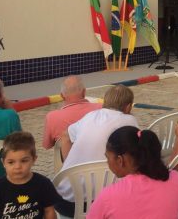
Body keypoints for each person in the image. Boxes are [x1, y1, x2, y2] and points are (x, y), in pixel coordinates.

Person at [56, 85, 138, 217]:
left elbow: (65, 135)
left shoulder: (90, 116)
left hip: (65, 201)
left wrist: (71, 168)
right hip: (106, 202)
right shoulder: (130, 120)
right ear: (128, 107)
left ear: (104, 102)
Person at [87, 126, 178, 219]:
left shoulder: (107, 197)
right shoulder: (176, 179)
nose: (107, 162)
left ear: (120, 160)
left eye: (107, 158)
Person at [0, 132, 60, 219]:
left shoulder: (43, 184)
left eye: (24, 161)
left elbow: (49, 210)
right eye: (11, 162)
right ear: (3, 162)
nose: (17, 167)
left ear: (34, 159)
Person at [42, 75, 102, 150]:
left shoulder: (52, 117)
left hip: (66, 157)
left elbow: (46, 146)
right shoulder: (102, 109)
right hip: (97, 156)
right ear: (84, 92)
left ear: (62, 96)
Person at [0, 76, 21, 178]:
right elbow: (22, 145)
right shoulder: (9, 116)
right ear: (0, 94)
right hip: (0, 175)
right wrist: (10, 109)